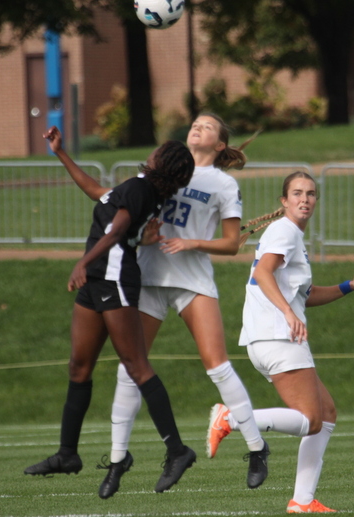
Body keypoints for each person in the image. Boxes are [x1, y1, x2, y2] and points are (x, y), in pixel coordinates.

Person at [98, 113, 269, 499]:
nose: (198, 128)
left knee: (218, 365)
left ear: (220, 144)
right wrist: (145, 238)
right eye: (195, 123)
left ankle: (257, 449)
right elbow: (133, 217)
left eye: (208, 127)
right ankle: (116, 459)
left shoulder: (224, 184)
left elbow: (231, 243)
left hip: (192, 280)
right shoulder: (165, 168)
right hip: (150, 277)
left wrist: (192, 243)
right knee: (131, 368)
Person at [23, 127, 197, 494]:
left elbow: (116, 230)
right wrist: (61, 153)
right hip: (98, 280)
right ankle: (67, 454)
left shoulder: (140, 189)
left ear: (162, 162)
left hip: (113, 279)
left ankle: (177, 451)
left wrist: (82, 262)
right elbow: (95, 191)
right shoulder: (139, 187)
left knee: (137, 366)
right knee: (79, 366)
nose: (153, 149)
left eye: (160, 149)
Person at [207, 171, 354, 514]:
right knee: (310, 420)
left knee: (325, 414)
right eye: (297, 193)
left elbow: (306, 294)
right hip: (277, 335)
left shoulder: (290, 236)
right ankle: (233, 419)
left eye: (311, 193)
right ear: (284, 201)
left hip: (271, 336)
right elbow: (262, 273)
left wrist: (348, 287)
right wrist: (288, 313)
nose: (305, 199)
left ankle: (302, 501)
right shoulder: (284, 231)